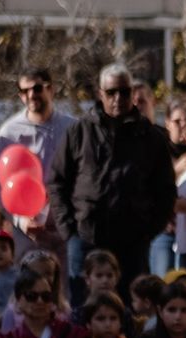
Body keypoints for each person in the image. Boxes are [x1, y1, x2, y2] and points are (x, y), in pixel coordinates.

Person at [49, 66, 178, 284]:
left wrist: (148, 231)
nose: (118, 98)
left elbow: (165, 190)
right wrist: (69, 230)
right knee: (85, 307)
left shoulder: (150, 137)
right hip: (85, 237)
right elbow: (57, 181)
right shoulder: (79, 132)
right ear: (100, 94)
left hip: (133, 242)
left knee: (131, 307)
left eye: (124, 92)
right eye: (111, 92)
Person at [0, 68, 74, 260]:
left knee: (68, 287)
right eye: (24, 91)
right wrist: (20, 221)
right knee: (30, 285)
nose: (31, 95)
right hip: (29, 233)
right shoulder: (9, 133)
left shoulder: (72, 128)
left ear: (51, 89)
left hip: (66, 228)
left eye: (37, 88)